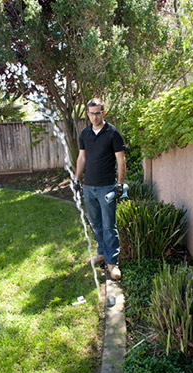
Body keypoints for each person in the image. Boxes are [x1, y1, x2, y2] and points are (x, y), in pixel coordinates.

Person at [74, 97, 126, 281]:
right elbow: (82, 158)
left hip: (107, 187)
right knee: (96, 223)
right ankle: (102, 253)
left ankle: (113, 263)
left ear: (103, 112)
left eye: (98, 113)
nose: (94, 117)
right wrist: (76, 178)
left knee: (109, 226)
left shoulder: (113, 133)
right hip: (89, 186)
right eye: (91, 114)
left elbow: (121, 160)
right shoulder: (85, 134)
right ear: (87, 114)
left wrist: (119, 184)